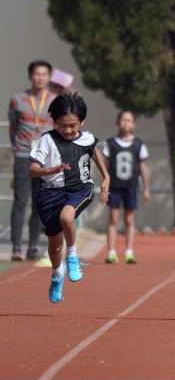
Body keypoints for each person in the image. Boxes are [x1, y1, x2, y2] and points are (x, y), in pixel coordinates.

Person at [29, 93, 110, 304]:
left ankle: (72, 256)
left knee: (67, 217)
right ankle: (57, 274)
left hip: (80, 190)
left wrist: (106, 176)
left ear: (82, 122)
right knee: (55, 247)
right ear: (55, 122)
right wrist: (51, 169)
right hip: (50, 194)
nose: (67, 130)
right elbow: (32, 170)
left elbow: (94, 152)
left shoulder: (87, 138)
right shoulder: (47, 140)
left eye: (72, 126)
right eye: (63, 125)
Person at [7, 60, 56, 261]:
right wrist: (18, 148)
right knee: (20, 201)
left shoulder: (55, 101)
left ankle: (33, 245)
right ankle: (17, 246)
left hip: (44, 158)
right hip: (23, 155)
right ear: (30, 76)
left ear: (49, 77)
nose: (40, 78)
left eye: (44, 74)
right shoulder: (17, 99)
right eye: (37, 74)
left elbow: (58, 128)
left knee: (39, 202)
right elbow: (13, 127)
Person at [102, 110, 150, 264]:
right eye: (123, 120)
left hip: (131, 186)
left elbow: (143, 167)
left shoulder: (139, 144)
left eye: (129, 120)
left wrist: (146, 189)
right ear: (117, 122)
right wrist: (104, 185)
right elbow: (104, 166)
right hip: (114, 186)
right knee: (113, 218)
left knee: (129, 219)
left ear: (134, 124)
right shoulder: (110, 144)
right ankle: (111, 251)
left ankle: (129, 251)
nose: (125, 123)